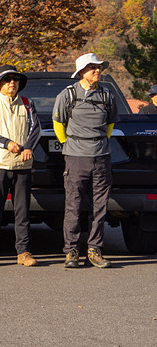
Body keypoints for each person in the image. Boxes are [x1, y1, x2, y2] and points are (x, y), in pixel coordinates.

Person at [52, 53, 119, 268]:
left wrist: (100, 142)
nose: (97, 71)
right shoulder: (68, 94)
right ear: (81, 72)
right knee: (74, 204)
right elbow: (58, 123)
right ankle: (71, 251)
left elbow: (110, 124)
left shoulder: (107, 95)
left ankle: (94, 250)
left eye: (99, 67)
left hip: (101, 156)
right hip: (76, 156)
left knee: (100, 205)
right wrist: (68, 144)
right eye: (92, 68)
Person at [0, 66, 41, 267]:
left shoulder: (28, 104)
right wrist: (7, 143)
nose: (12, 83)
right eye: (7, 79)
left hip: (22, 164)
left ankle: (24, 252)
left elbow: (36, 128)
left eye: (15, 79)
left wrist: (28, 147)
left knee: (22, 212)